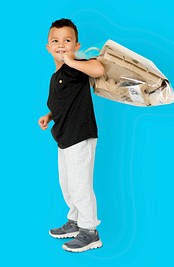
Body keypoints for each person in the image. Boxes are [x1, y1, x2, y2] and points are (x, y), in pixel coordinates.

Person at [38, 18, 105, 252]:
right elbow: (63, 104)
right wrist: (49, 115)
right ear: (48, 47)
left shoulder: (76, 68)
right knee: (67, 184)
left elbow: (99, 69)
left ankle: (90, 231)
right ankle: (75, 222)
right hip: (64, 137)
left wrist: (72, 60)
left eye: (67, 41)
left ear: (76, 45)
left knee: (80, 184)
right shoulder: (55, 77)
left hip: (80, 135)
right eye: (55, 41)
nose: (61, 45)